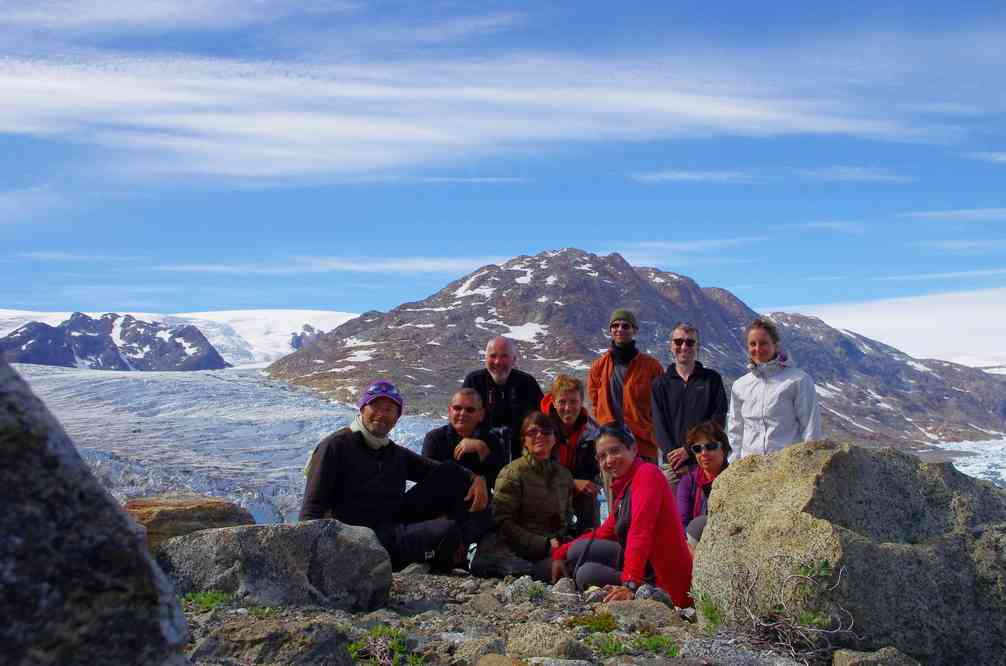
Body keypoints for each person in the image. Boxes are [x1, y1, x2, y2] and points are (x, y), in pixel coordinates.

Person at [300, 380, 488, 571]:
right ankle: (454, 558)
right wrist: (312, 561)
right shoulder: (337, 446)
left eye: (389, 409)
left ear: (397, 417)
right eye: (375, 406)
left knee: (451, 474)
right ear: (362, 409)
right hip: (358, 538)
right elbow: (312, 508)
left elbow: (439, 470)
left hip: (393, 522)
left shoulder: (392, 451)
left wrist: (475, 478)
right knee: (446, 532)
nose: (381, 414)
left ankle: (477, 547)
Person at [551, 423, 693, 608]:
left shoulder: (647, 474)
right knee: (576, 552)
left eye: (615, 451)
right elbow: (603, 533)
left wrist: (630, 584)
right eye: (602, 456)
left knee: (586, 573)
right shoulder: (625, 486)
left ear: (633, 449)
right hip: (646, 568)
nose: (609, 460)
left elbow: (640, 531)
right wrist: (559, 553)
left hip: (664, 583)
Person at [491, 411, 575, 582]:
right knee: (575, 570)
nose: (540, 436)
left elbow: (566, 516)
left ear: (554, 439)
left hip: (556, 546)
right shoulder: (512, 473)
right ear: (524, 440)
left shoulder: (564, 475)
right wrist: (543, 545)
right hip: (523, 553)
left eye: (546, 432)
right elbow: (503, 523)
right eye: (532, 432)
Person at [727, 318, 822, 459]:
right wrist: (733, 463)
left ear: (775, 346)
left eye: (763, 343)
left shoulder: (798, 380)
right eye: (752, 344)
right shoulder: (740, 385)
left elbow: (810, 427)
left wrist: (809, 462)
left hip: (786, 466)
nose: (758, 349)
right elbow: (736, 429)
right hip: (750, 468)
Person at [651, 323, 728, 485]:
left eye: (690, 342)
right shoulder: (660, 384)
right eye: (678, 342)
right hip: (673, 466)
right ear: (671, 346)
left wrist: (689, 450)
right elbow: (659, 426)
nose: (684, 347)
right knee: (673, 510)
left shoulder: (712, 379)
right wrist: (676, 459)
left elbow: (717, 420)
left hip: (707, 460)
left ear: (697, 347)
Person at [587, 309, 664, 462]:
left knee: (646, 485)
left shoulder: (652, 366)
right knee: (614, 487)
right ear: (610, 330)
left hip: (643, 445)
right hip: (610, 446)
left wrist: (652, 431)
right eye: (615, 326)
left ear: (634, 331)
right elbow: (595, 401)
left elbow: (662, 405)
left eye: (625, 326)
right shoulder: (599, 366)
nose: (620, 329)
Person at [463, 336, 544, 464]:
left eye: (504, 356)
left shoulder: (528, 383)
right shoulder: (474, 381)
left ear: (514, 360)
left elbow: (541, 423)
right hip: (481, 456)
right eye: (493, 356)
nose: (497, 362)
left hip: (521, 460)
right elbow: (461, 420)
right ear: (485, 358)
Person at [540, 374, 602, 533]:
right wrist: (571, 482)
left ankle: (590, 538)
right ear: (553, 402)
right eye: (562, 402)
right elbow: (535, 472)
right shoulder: (540, 430)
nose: (568, 408)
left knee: (590, 495)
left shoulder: (592, 431)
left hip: (579, 487)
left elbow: (596, 469)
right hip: (547, 488)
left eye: (573, 401)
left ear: (581, 403)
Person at [422, 388, 504, 491]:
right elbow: (428, 480)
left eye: (470, 410)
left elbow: (500, 484)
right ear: (449, 411)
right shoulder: (434, 439)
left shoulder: (491, 441)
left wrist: (482, 450)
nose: (462, 413)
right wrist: (472, 479)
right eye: (457, 408)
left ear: (481, 415)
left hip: (480, 503)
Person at [675, 421, 731, 552]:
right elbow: (682, 524)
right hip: (695, 545)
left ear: (723, 449)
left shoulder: (736, 478)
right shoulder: (688, 482)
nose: (704, 453)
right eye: (697, 449)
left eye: (710, 446)